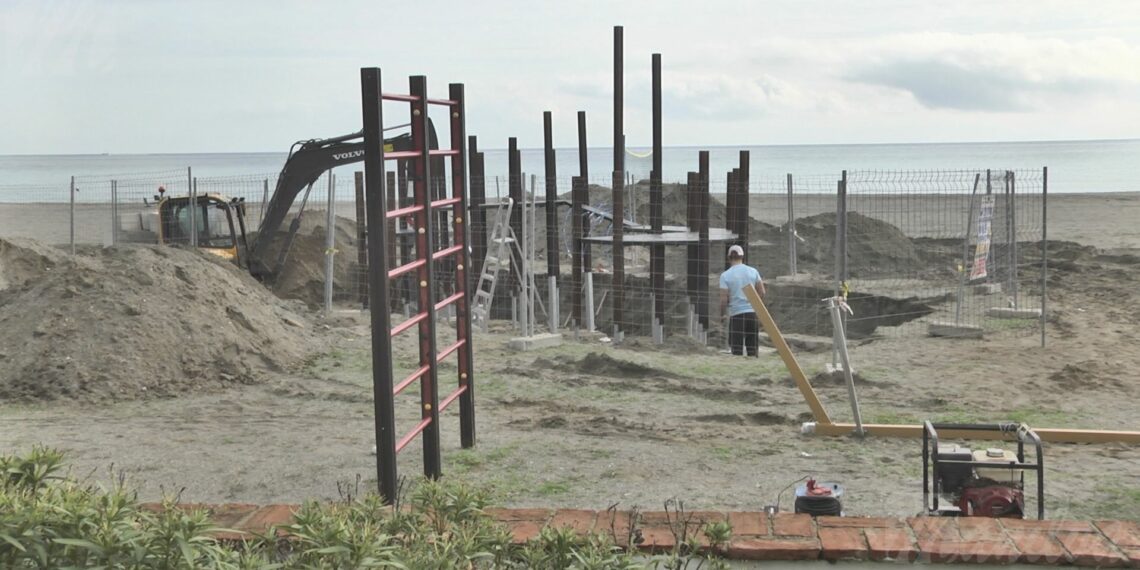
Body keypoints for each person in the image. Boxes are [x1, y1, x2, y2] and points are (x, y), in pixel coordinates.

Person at [719, 244, 765, 356]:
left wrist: (722, 314)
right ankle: (753, 366)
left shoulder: (725, 275)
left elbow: (723, 299)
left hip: (736, 315)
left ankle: (738, 366)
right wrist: (755, 305)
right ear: (742, 257)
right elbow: (762, 292)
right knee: (752, 348)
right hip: (752, 314)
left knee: (737, 349)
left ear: (729, 257)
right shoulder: (753, 271)